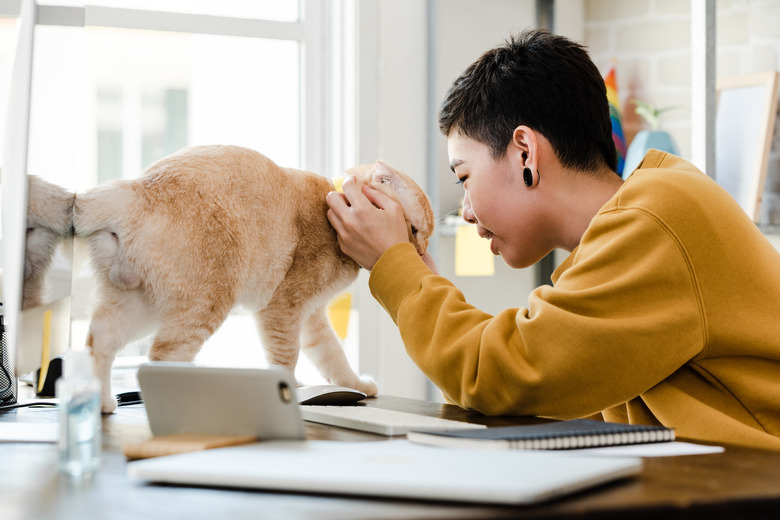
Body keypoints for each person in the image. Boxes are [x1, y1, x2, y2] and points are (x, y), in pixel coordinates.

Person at [325, 29, 780, 451]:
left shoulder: (655, 220)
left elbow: (500, 376)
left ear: (525, 151)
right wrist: (417, 276)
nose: (465, 211)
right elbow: (508, 389)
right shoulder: (641, 220)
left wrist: (394, 265)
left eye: (464, 176)